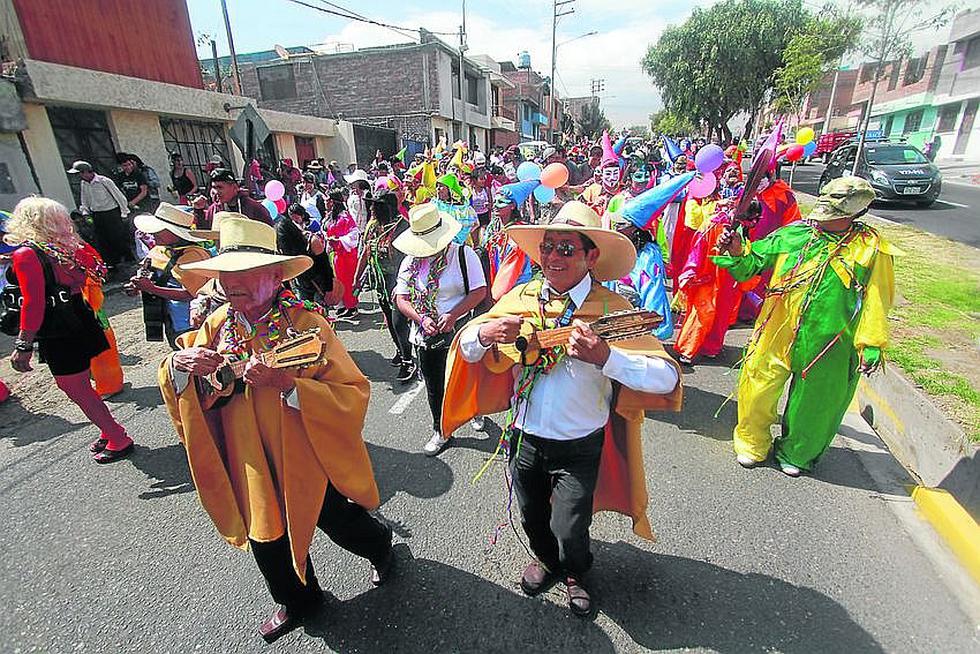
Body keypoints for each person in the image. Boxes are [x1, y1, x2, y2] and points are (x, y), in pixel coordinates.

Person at [440, 201, 682, 617]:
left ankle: (575, 572)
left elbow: (666, 378)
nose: (552, 258)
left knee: (571, 526)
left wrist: (607, 357)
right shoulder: (521, 298)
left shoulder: (612, 310)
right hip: (524, 438)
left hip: (580, 444)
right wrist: (485, 332)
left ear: (591, 257)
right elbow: (465, 348)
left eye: (566, 249)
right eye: (547, 248)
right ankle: (549, 562)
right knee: (532, 517)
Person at [159, 216, 394, 643]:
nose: (231, 284)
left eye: (243, 272)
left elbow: (353, 392)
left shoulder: (308, 326)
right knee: (265, 534)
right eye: (224, 274)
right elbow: (188, 385)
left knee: (338, 521)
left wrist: (287, 385)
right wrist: (179, 367)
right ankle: (299, 600)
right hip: (248, 454)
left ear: (274, 275)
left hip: (307, 454)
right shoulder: (215, 327)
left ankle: (382, 549)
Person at [713, 177, 896, 476]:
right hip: (776, 329)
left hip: (830, 340)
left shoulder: (870, 248)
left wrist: (871, 343)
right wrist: (736, 249)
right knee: (758, 385)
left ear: (854, 213)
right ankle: (751, 443)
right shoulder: (794, 234)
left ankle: (798, 452)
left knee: (817, 401)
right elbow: (752, 264)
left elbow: (877, 297)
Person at [5, 197, 133, 463]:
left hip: (59, 327)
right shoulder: (69, 248)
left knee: (75, 388)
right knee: (83, 384)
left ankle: (117, 436)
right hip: (81, 317)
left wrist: (23, 345)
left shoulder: (28, 253)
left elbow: (34, 302)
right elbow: (96, 272)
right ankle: (107, 429)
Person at [393, 203, 487, 455]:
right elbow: (401, 299)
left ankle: (474, 411)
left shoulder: (463, 255)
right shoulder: (410, 262)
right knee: (435, 385)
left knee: (466, 379)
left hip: (459, 332)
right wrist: (422, 319)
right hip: (426, 335)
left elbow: (480, 291)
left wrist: (453, 314)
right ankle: (441, 430)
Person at [126, 204, 211, 350]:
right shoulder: (158, 250)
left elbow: (191, 294)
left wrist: (152, 289)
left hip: (188, 322)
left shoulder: (193, 256)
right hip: (168, 318)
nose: (153, 234)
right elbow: (147, 272)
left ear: (175, 232)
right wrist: (136, 286)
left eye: (159, 230)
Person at [355, 190, 413, 381]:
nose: (371, 208)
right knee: (389, 318)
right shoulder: (374, 226)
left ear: (385, 208)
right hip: (380, 281)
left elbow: (410, 257)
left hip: (397, 282)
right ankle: (400, 349)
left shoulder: (403, 227)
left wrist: (403, 284)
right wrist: (357, 277)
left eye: (375, 205)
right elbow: (365, 250)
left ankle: (408, 361)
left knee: (399, 321)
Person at [68, 160, 133, 271]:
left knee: (118, 237)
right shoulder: (84, 184)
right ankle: (112, 263)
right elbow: (85, 200)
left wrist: (124, 212)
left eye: (81, 173)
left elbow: (119, 197)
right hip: (97, 215)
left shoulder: (104, 181)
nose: (80, 176)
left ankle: (129, 260)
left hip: (111, 213)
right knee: (103, 240)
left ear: (86, 172)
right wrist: (85, 213)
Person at [276, 204, 334, 307]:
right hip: (300, 285)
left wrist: (329, 289)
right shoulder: (283, 248)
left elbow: (326, 267)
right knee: (305, 314)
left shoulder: (312, 241)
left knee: (319, 315)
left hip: (318, 284)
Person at [201, 168, 273, 228]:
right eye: (214, 187)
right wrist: (198, 210)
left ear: (235, 187)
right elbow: (205, 234)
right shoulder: (213, 210)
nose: (216, 192)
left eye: (220, 187)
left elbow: (269, 231)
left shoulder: (254, 208)